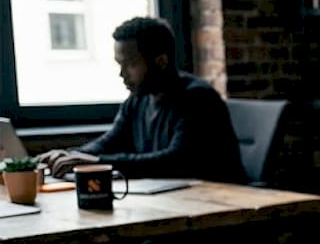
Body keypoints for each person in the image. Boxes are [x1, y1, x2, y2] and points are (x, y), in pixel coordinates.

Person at [37, 16, 247, 183]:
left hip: (215, 211)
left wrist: (98, 162)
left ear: (161, 61)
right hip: (174, 204)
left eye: (129, 64)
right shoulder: (137, 100)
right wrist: (69, 156)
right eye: (119, 64)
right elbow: (110, 142)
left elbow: (175, 162)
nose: (122, 74)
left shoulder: (198, 99)